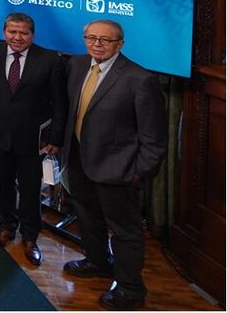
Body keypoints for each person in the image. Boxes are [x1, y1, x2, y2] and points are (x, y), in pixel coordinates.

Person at [61, 20, 166, 310]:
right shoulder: (77, 65)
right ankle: (97, 262)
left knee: (125, 232)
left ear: (120, 44)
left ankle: (131, 290)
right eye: (91, 38)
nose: (97, 44)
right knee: (87, 219)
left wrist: (137, 174)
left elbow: (154, 139)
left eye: (105, 40)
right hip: (79, 161)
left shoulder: (139, 79)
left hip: (118, 172)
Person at [0, 13, 67, 266]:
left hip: (33, 141)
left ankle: (30, 236)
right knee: (3, 186)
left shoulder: (51, 59)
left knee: (31, 191)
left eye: (24, 33)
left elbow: (60, 104)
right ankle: (7, 227)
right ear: (4, 31)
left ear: (32, 34)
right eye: (12, 32)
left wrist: (56, 137)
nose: (18, 37)